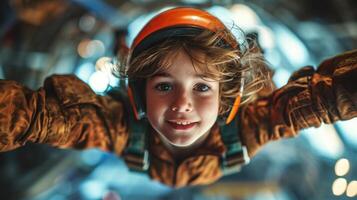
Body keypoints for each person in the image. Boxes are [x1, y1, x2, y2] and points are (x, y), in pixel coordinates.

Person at [0, 7, 356, 187]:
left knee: (265, 85)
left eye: (202, 87)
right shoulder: (116, 125)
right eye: (164, 86)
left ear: (225, 101)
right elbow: (35, 115)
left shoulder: (249, 125)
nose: (182, 104)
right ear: (138, 96)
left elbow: (321, 98)